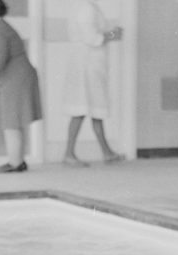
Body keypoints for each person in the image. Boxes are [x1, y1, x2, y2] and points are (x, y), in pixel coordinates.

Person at [0, 0, 43, 173]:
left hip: (16, 81)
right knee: (14, 122)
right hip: (17, 79)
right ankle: (17, 160)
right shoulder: (2, 28)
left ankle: (15, 163)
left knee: (11, 123)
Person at [62, 0, 124, 167]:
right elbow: (92, 38)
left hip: (88, 64)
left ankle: (106, 152)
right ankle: (69, 153)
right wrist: (113, 35)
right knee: (81, 109)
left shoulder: (84, 6)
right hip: (87, 65)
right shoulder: (86, 8)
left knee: (94, 109)